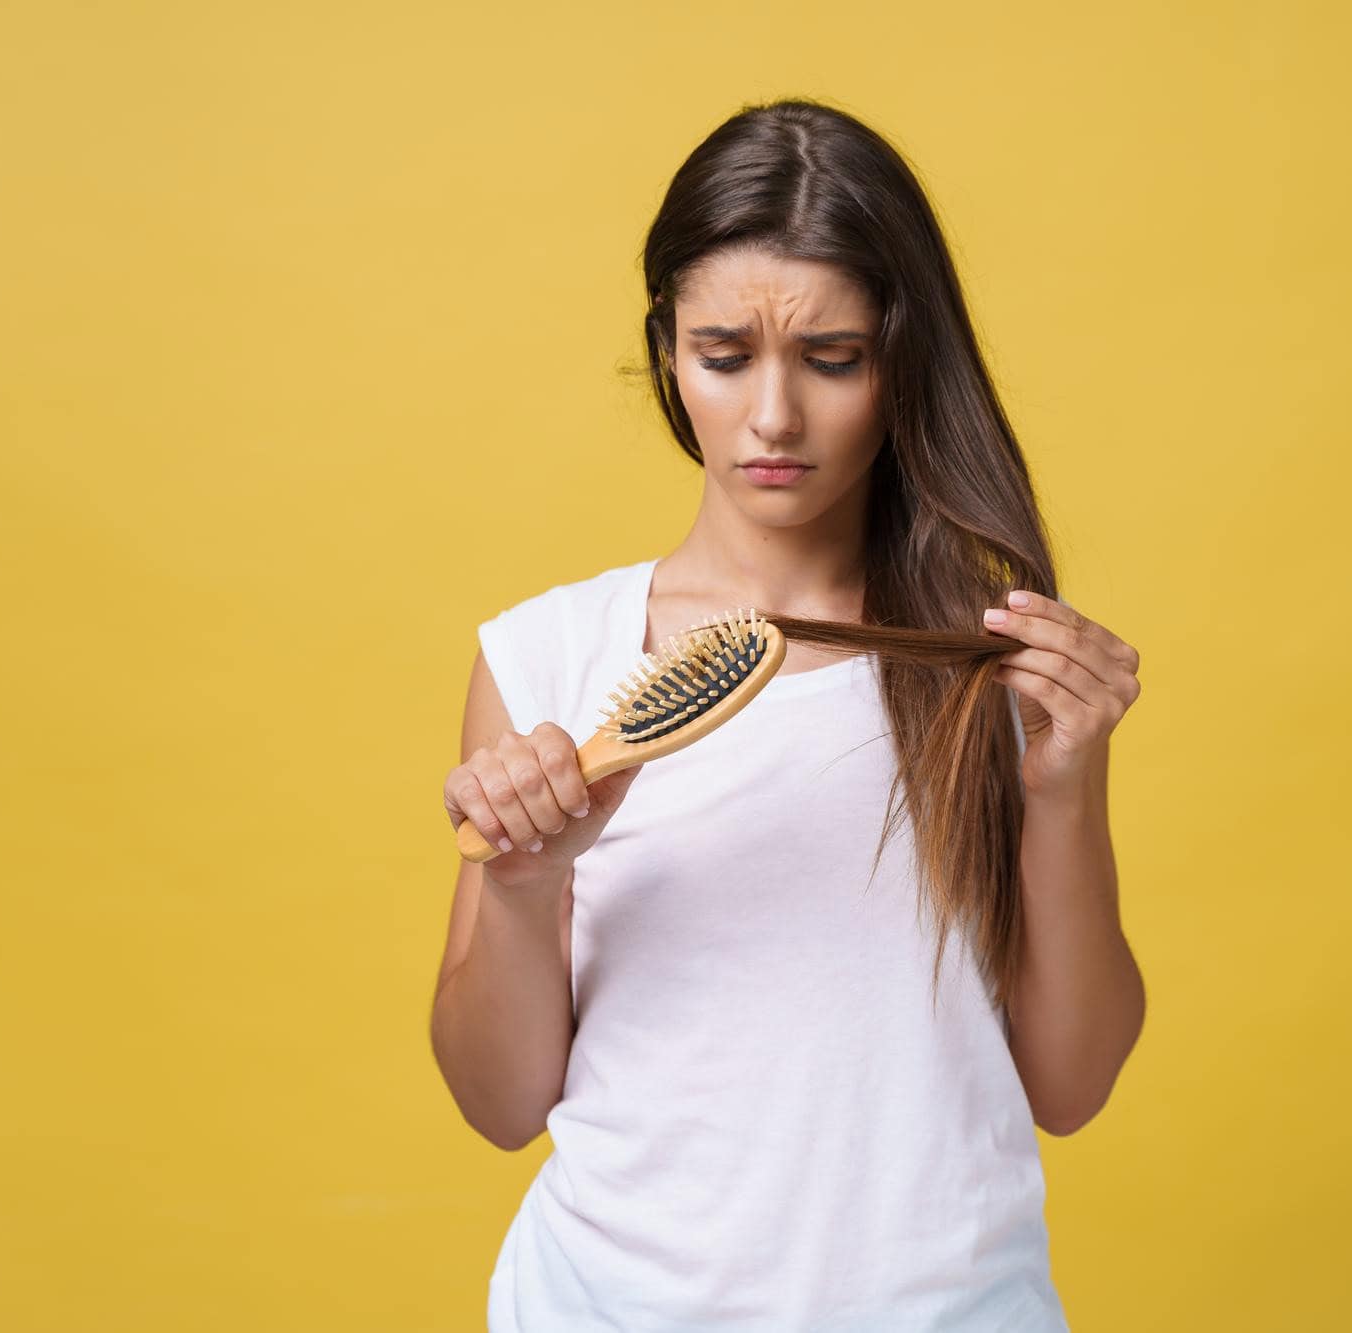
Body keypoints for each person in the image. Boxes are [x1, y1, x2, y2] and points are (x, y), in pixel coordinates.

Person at [430, 97, 1146, 1331]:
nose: (772, 418)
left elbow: (1071, 1084)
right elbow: (500, 1107)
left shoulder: (987, 659)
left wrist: (1063, 785)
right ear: (666, 350)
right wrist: (521, 884)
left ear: (899, 359)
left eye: (831, 359)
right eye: (724, 355)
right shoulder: (549, 656)